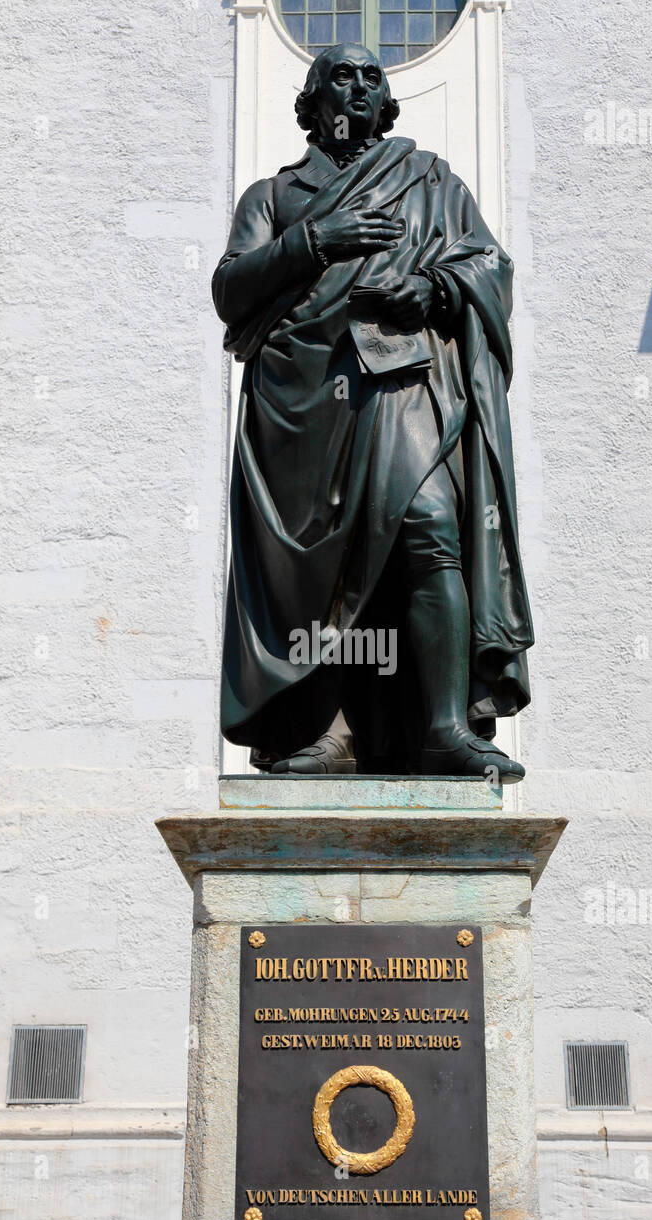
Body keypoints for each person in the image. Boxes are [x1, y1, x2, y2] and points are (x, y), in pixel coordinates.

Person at [213, 44, 534, 779]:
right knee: (313, 567)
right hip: (300, 398)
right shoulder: (273, 196)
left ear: (385, 100)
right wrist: (312, 241)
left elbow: (487, 264)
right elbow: (231, 291)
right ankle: (321, 729)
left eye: (371, 77)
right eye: (340, 76)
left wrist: (437, 291)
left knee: (430, 529)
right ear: (312, 99)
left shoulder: (430, 181)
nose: (357, 87)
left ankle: (446, 726)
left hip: (400, 379)